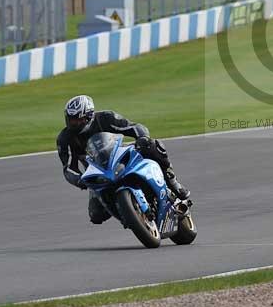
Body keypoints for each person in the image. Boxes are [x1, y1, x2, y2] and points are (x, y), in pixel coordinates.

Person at [56, 94, 190, 224]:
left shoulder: (105, 118)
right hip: (97, 173)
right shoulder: (65, 139)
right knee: (96, 215)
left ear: (89, 116)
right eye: (71, 119)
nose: (74, 123)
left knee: (151, 145)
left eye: (77, 119)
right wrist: (80, 180)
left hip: (119, 156)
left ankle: (173, 182)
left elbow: (134, 127)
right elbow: (68, 168)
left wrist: (142, 138)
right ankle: (130, 215)